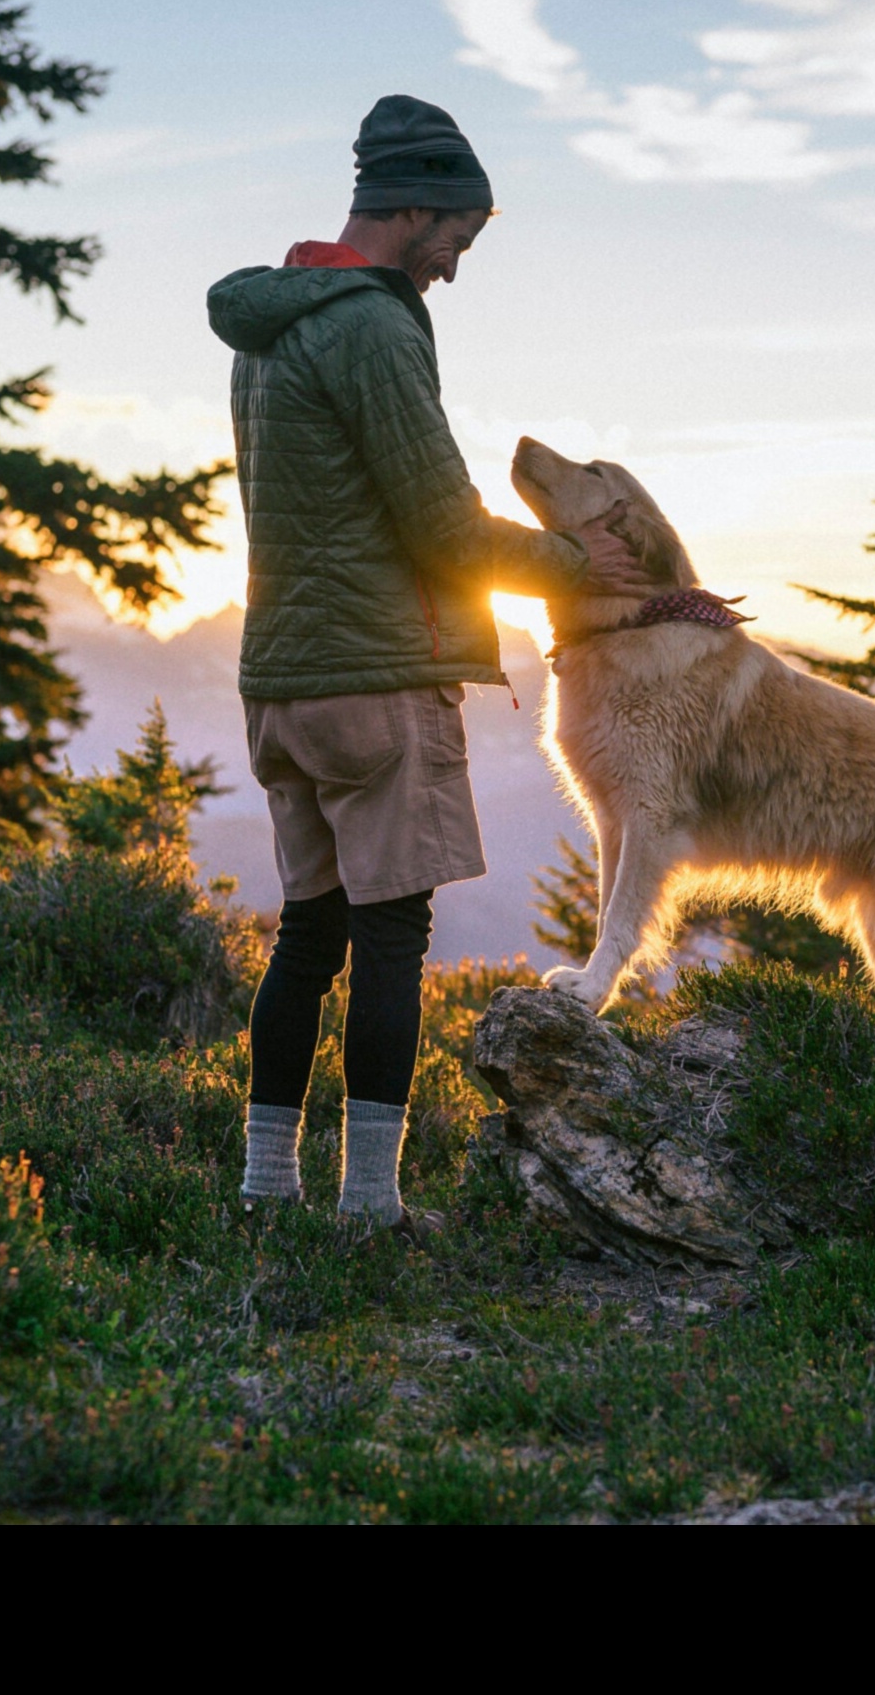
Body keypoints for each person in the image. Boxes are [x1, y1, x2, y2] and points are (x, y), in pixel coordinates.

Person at [205, 93, 652, 1228]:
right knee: (392, 938)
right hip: (375, 681)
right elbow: (445, 530)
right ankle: (369, 1209)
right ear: (412, 206)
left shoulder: (274, 323)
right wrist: (577, 563)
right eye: (458, 232)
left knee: (308, 935)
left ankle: (265, 1188)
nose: (456, 261)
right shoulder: (371, 324)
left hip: (282, 684)